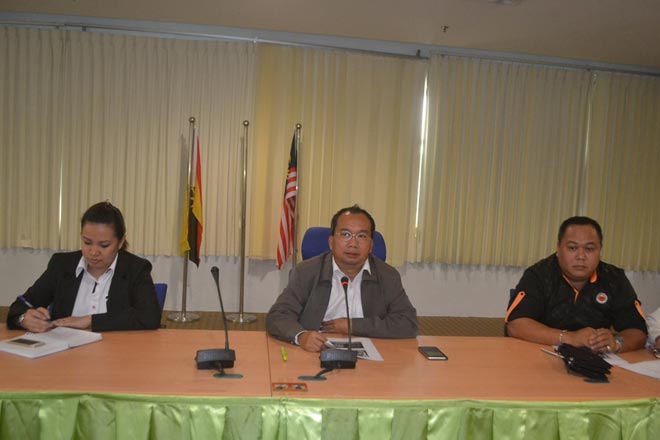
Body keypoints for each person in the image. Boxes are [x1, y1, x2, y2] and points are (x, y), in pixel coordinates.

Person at [266, 205, 418, 352]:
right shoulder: (306, 272)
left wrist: (352, 326)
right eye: (345, 235)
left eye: (362, 236)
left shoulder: (387, 276)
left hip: (374, 349)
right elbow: (278, 316)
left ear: (371, 245)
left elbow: (408, 323)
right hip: (316, 351)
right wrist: (301, 336)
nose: (353, 243)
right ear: (331, 242)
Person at [7, 201, 161, 333]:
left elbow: (149, 317)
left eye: (104, 245)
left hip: (115, 354)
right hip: (65, 355)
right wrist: (23, 318)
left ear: (120, 242)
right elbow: (21, 305)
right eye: (87, 242)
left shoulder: (136, 268)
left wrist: (90, 320)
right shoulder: (61, 265)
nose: (93, 252)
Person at [505, 216, 647, 353]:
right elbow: (515, 325)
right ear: (558, 249)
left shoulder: (614, 278)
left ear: (600, 250)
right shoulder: (539, 275)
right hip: (540, 355)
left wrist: (617, 343)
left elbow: (638, 331)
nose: (581, 256)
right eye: (572, 248)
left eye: (589, 249)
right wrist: (569, 338)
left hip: (595, 361)